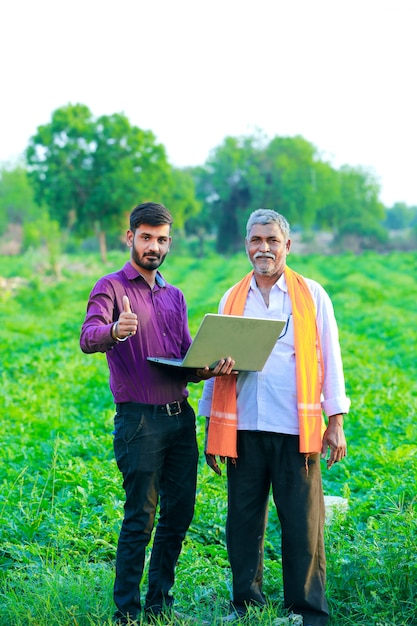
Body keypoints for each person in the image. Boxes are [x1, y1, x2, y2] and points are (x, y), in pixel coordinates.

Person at [80, 202, 234, 625]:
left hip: (179, 418)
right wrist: (114, 331)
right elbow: (88, 336)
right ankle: (126, 611)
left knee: (180, 512)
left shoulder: (174, 295)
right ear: (130, 237)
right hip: (140, 422)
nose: (154, 246)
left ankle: (159, 602)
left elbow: (185, 357)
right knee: (141, 517)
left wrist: (208, 368)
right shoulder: (111, 288)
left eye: (162, 239)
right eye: (146, 237)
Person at [199, 208, 350, 626]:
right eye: (255, 240)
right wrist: (211, 425)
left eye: (271, 240)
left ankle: (306, 611)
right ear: (245, 244)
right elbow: (212, 368)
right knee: (243, 524)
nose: (262, 248)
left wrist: (334, 421)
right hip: (243, 428)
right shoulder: (232, 297)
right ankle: (246, 604)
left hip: (294, 430)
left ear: (287, 245)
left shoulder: (312, 294)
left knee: (303, 526)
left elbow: (331, 359)